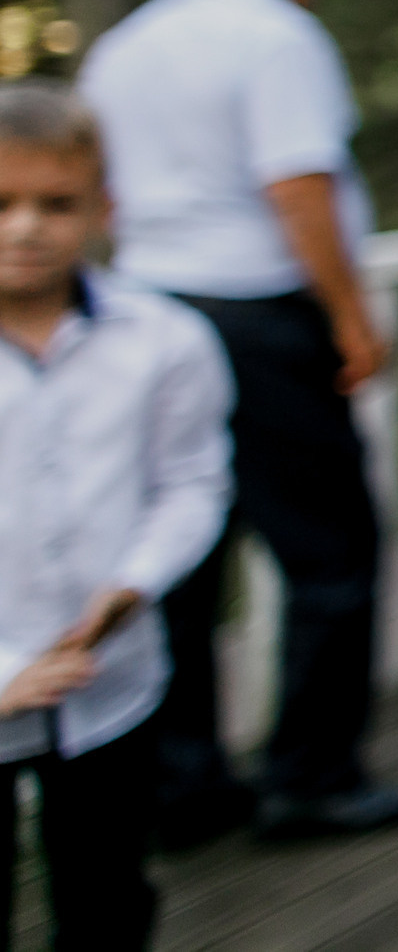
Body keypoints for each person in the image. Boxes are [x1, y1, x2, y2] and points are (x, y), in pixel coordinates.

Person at [80, 0, 398, 845]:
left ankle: (179, 783)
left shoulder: (125, 45)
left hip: (150, 304)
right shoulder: (278, 38)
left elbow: (98, 186)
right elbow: (299, 187)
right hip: (256, 317)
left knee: (185, 553)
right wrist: (353, 319)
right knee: (330, 554)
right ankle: (311, 775)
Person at [0, 82, 231, 950]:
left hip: (110, 682)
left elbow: (193, 483)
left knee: (105, 892)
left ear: (103, 207)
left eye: (55, 204)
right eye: (2, 202)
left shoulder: (164, 340)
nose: (25, 226)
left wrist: (134, 583)